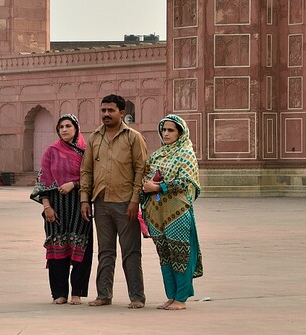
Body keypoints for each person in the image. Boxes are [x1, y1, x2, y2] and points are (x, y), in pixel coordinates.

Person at [80, 94, 149, 309]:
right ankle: (103, 295)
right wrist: (85, 199)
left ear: (122, 112)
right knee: (105, 251)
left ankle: (137, 296)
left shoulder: (133, 137)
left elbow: (141, 169)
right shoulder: (95, 137)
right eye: (103, 111)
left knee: (131, 252)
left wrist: (134, 201)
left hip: (125, 202)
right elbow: (86, 170)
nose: (106, 114)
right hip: (100, 202)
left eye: (111, 110)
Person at [140, 114, 203, 311]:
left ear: (180, 132)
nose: (166, 133)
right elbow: (145, 176)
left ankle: (181, 298)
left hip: (177, 212)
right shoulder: (157, 155)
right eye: (164, 130)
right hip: (156, 213)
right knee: (165, 255)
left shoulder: (186, 154)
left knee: (180, 253)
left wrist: (158, 187)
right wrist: (147, 184)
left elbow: (185, 182)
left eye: (171, 130)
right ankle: (171, 296)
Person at [30, 114, 94, 305]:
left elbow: (92, 177)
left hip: (80, 205)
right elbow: (43, 181)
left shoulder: (85, 152)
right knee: (57, 249)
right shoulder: (51, 151)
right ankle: (59, 293)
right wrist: (47, 206)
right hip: (55, 207)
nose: (64, 130)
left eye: (68, 126)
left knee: (81, 248)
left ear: (76, 128)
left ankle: (77, 292)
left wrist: (73, 184)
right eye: (61, 127)